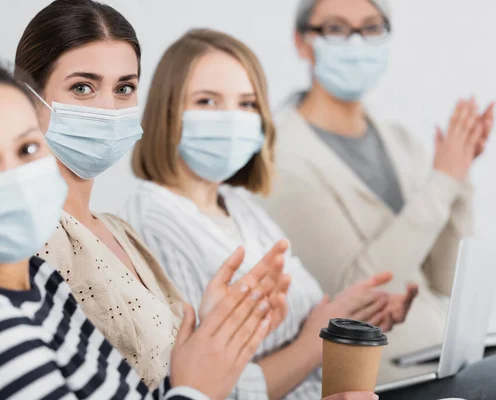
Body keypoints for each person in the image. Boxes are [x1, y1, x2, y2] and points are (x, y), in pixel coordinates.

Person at [0, 52, 292, 400]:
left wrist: (209, 345)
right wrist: (197, 389)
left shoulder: (36, 282)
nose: (16, 177)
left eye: (27, 149)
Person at [124, 28, 418, 400]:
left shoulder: (241, 207)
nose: (231, 119)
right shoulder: (153, 221)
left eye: (247, 104)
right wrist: (313, 344)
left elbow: (309, 321)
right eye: (207, 101)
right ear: (166, 112)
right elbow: (200, 389)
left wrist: (354, 317)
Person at [13, 0, 292, 391]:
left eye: (124, 88)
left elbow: (181, 379)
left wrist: (215, 332)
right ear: (28, 96)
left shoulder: (118, 230)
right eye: (82, 87)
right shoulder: (26, 241)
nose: (109, 108)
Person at [261, 0, 494, 357]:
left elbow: (446, 280)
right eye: (336, 29)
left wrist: (459, 179)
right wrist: (443, 181)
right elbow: (353, 293)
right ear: (302, 42)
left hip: (442, 358)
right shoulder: (281, 157)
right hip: (375, 379)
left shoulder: (400, 141)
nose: (357, 44)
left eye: (371, 28)